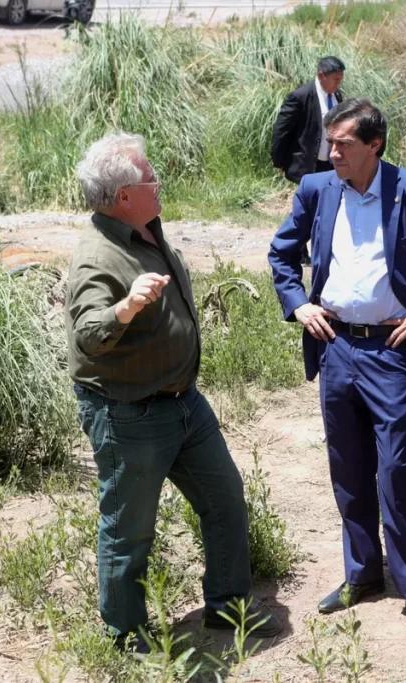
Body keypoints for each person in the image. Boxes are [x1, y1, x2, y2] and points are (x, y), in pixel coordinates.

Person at [269, 99, 406, 630]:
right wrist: (298, 303)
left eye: (343, 144)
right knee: (347, 467)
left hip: (392, 350)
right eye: (330, 142)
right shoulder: (316, 190)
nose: (331, 152)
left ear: (375, 145)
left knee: (394, 467)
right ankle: (362, 573)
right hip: (336, 346)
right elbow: (281, 253)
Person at [67, 133, 282, 656]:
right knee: (130, 528)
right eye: (149, 177)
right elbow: (87, 334)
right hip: (130, 413)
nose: (158, 182)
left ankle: (228, 605)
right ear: (123, 196)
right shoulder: (98, 258)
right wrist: (125, 309)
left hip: (184, 403)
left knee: (225, 499)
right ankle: (124, 634)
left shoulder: (146, 231)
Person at [271, 56, 347, 265]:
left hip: (330, 162)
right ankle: (295, 249)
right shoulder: (301, 96)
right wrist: (279, 160)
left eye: (340, 79)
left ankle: (321, 249)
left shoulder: (337, 96)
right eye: (335, 79)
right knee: (307, 207)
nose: (338, 84)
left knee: (326, 205)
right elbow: (281, 130)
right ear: (321, 76)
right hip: (307, 163)